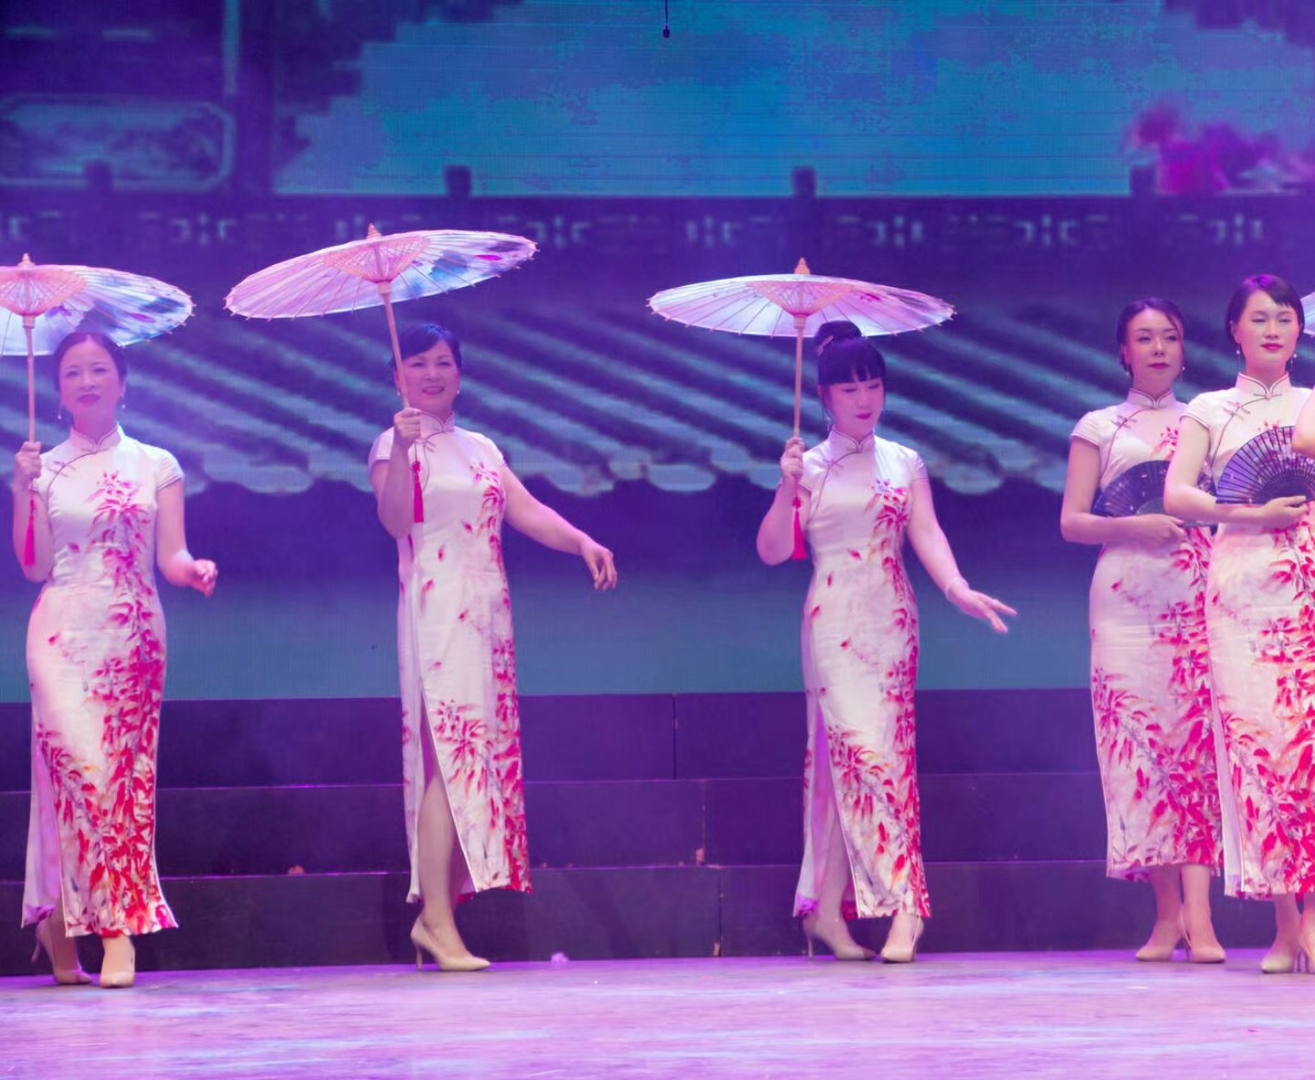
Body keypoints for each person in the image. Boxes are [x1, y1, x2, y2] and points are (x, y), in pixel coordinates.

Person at [756, 321, 1015, 963]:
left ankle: (831, 910)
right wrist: (787, 485)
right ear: (824, 397)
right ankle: (905, 907)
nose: (864, 398)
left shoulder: (904, 461)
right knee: (857, 758)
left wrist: (956, 587)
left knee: (878, 762)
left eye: (873, 385)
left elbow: (926, 533)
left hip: (893, 619)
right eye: (849, 388)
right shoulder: (809, 467)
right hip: (833, 621)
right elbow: (772, 551)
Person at [369, 323, 617, 972]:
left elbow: (526, 510)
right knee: (446, 763)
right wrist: (402, 446)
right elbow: (394, 521)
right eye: (416, 363)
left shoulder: (480, 447)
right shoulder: (392, 444)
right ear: (396, 377)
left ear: (460, 374)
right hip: (435, 609)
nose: (431, 374)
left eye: (443, 363)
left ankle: (439, 916)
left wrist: (581, 541)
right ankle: (435, 919)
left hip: (486, 614)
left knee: (470, 763)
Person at [11, 331, 217, 989]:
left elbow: (171, 554)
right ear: (58, 389)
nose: (87, 381)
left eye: (99, 369)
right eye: (73, 372)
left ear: (122, 383)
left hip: (132, 636)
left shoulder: (156, 464)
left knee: (119, 784)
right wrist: (22, 489)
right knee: (83, 772)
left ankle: (57, 929)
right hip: (61, 634)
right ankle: (115, 927)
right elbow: (34, 565)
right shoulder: (43, 468)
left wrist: (192, 570)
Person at [1060, 299, 1224, 963]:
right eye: (1144, 338)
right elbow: (1072, 521)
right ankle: (1165, 915)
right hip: (1125, 599)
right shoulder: (1099, 426)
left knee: (1196, 749)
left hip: (1196, 589)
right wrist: (1134, 524)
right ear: (1123, 352)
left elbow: (1230, 503)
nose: (1158, 349)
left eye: (1169, 338)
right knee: (1141, 751)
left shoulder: (1206, 419)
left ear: (1184, 350)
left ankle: (1202, 916)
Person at [1164, 274, 1314, 974]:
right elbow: (1177, 494)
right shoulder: (1209, 409)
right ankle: (1283, 923)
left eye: (1284, 318)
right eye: (1259, 318)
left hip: (1308, 581)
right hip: (1243, 588)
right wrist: (1248, 511)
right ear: (1234, 330)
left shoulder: (1311, 403)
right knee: (1262, 753)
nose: (1273, 329)